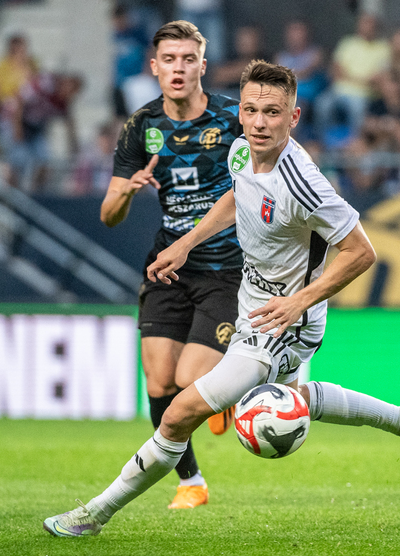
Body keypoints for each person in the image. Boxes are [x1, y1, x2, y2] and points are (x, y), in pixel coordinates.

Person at [43, 60, 400, 538]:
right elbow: (237, 198)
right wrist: (187, 242)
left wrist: (299, 301)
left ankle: (94, 514)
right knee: (295, 399)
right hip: (254, 301)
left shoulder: (304, 182)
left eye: (272, 113)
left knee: (178, 413)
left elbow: (362, 252)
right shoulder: (240, 152)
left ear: (293, 117)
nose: (258, 122)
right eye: (250, 110)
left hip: (282, 322)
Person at [97, 20, 244, 511]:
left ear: (202, 66)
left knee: (188, 381)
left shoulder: (232, 118)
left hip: (227, 268)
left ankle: (225, 389)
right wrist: (127, 189)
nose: (178, 68)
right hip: (167, 267)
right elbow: (109, 215)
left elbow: (260, 185)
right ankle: (192, 482)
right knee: (159, 383)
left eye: (188, 59)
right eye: (169, 60)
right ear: (154, 67)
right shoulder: (142, 127)